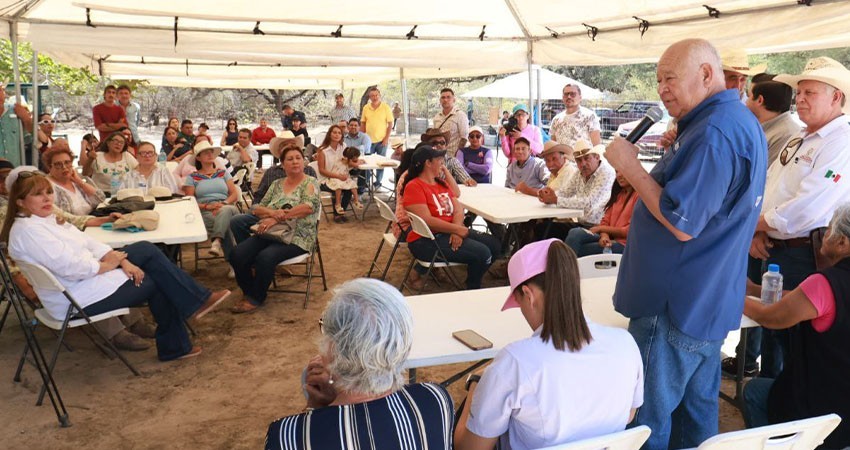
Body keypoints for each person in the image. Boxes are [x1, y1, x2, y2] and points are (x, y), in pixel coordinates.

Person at [604, 39, 766, 449]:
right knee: (694, 418)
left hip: (674, 307)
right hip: (703, 299)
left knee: (647, 421)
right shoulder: (729, 122)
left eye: (670, 78)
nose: (662, 89)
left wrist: (630, 167)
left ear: (706, 74)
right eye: (658, 80)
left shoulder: (714, 133)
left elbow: (682, 223)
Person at [1, 168, 231, 361]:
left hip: (83, 282)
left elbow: (87, 242)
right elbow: (71, 268)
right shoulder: (29, 231)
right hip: (75, 299)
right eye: (37, 194)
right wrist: (108, 265)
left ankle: (194, 306)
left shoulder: (45, 219)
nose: (47, 198)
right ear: (20, 202)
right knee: (156, 279)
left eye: (48, 192)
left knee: (145, 249)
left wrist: (121, 259)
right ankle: (178, 340)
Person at [454, 239, 643, 450]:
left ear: (528, 295)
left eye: (519, 302)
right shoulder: (625, 344)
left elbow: (470, 448)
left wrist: (476, 385)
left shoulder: (514, 362)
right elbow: (629, 414)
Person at [743, 56, 850, 381]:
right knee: (775, 334)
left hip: (806, 253)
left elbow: (807, 209)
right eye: (799, 92)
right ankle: (771, 394)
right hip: (779, 248)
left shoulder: (841, 142)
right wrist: (759, 231)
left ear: (836, 97)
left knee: (793, 339)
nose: (799, 99)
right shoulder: (801, 137)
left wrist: (754, 226)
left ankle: (786, 401)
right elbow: (769, 187)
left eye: (809, 93)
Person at [265, 279, 454, 450]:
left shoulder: (286, 436)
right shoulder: (436, 398)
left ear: (332, 349)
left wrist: (314, 409)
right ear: (403, 342)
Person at [742, 202, 850, 450]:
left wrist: (735, 296)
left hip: (822, 410)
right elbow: (803, 300)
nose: (823, 233)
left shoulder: (826, 282)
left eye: (829, 228)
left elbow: (771, 317)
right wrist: (755, 290)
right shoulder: (826, 287)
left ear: (842, 242)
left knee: (755, 391)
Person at [721, 73, 801, 378]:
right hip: (760, 229)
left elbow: (762, 185)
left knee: (769, 308)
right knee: (759, 298)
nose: (744, 100)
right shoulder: (773, 129)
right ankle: (748, 361)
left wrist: (757, 229)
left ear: (760, 99)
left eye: (749, 94)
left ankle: (761, 374)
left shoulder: (786, 133)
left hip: (772, 235)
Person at [228, 144, 320, 314]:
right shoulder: (277, 184)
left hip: (298, 235)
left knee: (265, 257)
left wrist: (277, 217)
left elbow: (307, 208)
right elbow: (257, 209)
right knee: (237, 254)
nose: (295, 162)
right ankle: (250, 291)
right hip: (271, 232)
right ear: (282, 164)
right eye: (290, 159)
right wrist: (272, 213)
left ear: (304, 162)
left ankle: (256, 298)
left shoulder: (310, 182)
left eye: (298, 158)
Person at [401, 144, 501, 290]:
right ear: (428, 163)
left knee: (495, 245)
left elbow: (458, 209)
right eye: (439, 159)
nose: (443, 162)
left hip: (448, 231)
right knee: (483, 253)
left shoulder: (441, 183)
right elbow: (428, 221)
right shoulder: (414, 186)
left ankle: (471, 279)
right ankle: (472, 287)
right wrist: (457, 229)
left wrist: (457, 230)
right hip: (427, 239)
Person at [538, 141, 616, 239]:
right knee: (542, 228)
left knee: (570, 234)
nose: (583, 164)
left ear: (596, 157)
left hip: (599, 228)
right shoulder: (579, 173)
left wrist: (555, 200)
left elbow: (589, 204)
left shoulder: (606, 173)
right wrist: (548, 195)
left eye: (586, 158)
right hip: (582, 224)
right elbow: (565, 192)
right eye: (579, 160)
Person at [183, 141, 240, 259]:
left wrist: (222, 204)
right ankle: (234, 261)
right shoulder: (192, 177)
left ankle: (217, 241)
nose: (210, 155)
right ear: (198, 158)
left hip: (227, 206)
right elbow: (190, 201)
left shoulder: (222, 173)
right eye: (206, 153)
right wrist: (207, 207)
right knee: (225, 225)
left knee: (225, 211)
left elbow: (234, 194)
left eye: (211, 152)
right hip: (206, 210)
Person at [565, 171, 638, 256]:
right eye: (617, 171)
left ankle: (564, 264)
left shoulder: (639, 197)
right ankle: (566, 263)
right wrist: (604, 236)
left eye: (622, 171)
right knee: (575, 232)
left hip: (624, 246)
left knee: (578, 248)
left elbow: (629, 231)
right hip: (609, 238)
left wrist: (601, 229)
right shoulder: (619, 194)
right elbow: (605, 221)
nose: (619, 175)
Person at [43, 143, 105, 215]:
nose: (64, 167)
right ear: (49, 167)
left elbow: (100, 199)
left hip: (91, 220)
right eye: (58, 164)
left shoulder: (75, 181)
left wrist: (79, 182)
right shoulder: (47, 186)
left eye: (67, 162)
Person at [316, 124, 354, 223]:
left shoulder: (343, 146)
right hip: (325, 179)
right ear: (329, 134)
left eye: (339, 133)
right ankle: (337, 215)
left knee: (349, 189)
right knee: (337, 187)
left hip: (340, 176)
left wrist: (356, 162)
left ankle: (341, 212)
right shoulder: (322, 150)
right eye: (334, 132)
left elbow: (347, 162)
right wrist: (337, 176)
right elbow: (321, 170)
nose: (337, 135)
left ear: (342, 135)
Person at [549, 83, 603, 148]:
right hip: (563, 154)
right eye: (566, 94)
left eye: (573, 94)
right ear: (563, 98)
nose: (569, 97)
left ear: (580, 97)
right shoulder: (556, 120)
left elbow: (597, 146)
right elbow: (554, 147)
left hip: (584, 154)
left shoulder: (590, 116)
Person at [360, 87, 394, 187]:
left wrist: (386, 138)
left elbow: (390, 124)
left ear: (379, 95)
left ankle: (378, 182)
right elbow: (363, 123)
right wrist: (362, 137)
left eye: (376, 95)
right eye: (372, 96)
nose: (374, 97)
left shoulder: (386, 107)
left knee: (381, 163)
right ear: (369, 97)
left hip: (382, 141)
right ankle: (366, 182)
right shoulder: (366, 108)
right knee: (367, 162)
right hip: (368, 141)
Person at [0, 82, 34, 167]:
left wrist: (26, 119)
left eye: (0, 90)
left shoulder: (16, 110)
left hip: (15, 170)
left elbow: (31, 137)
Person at [327, 147, 364, 215]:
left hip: (344, 178)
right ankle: (338, 204)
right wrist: (359, 161)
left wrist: (358, 161)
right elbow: (356, 164)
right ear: (352, 157)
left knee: (353, 185)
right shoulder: (346, 161)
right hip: (336, 178)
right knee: (338, 187)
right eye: (356, 157)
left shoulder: (347, 160)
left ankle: (356, 201)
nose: (357, 158)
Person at [433, 88, 469, 156]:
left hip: (453, 156)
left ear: (454, 100)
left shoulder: (460, 115)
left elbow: (464, 138)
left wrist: (457, 155)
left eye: (448, 97)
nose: (445, 100)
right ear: (440, 100)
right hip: (439, 156)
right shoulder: (436, 117)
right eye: (443, 97)